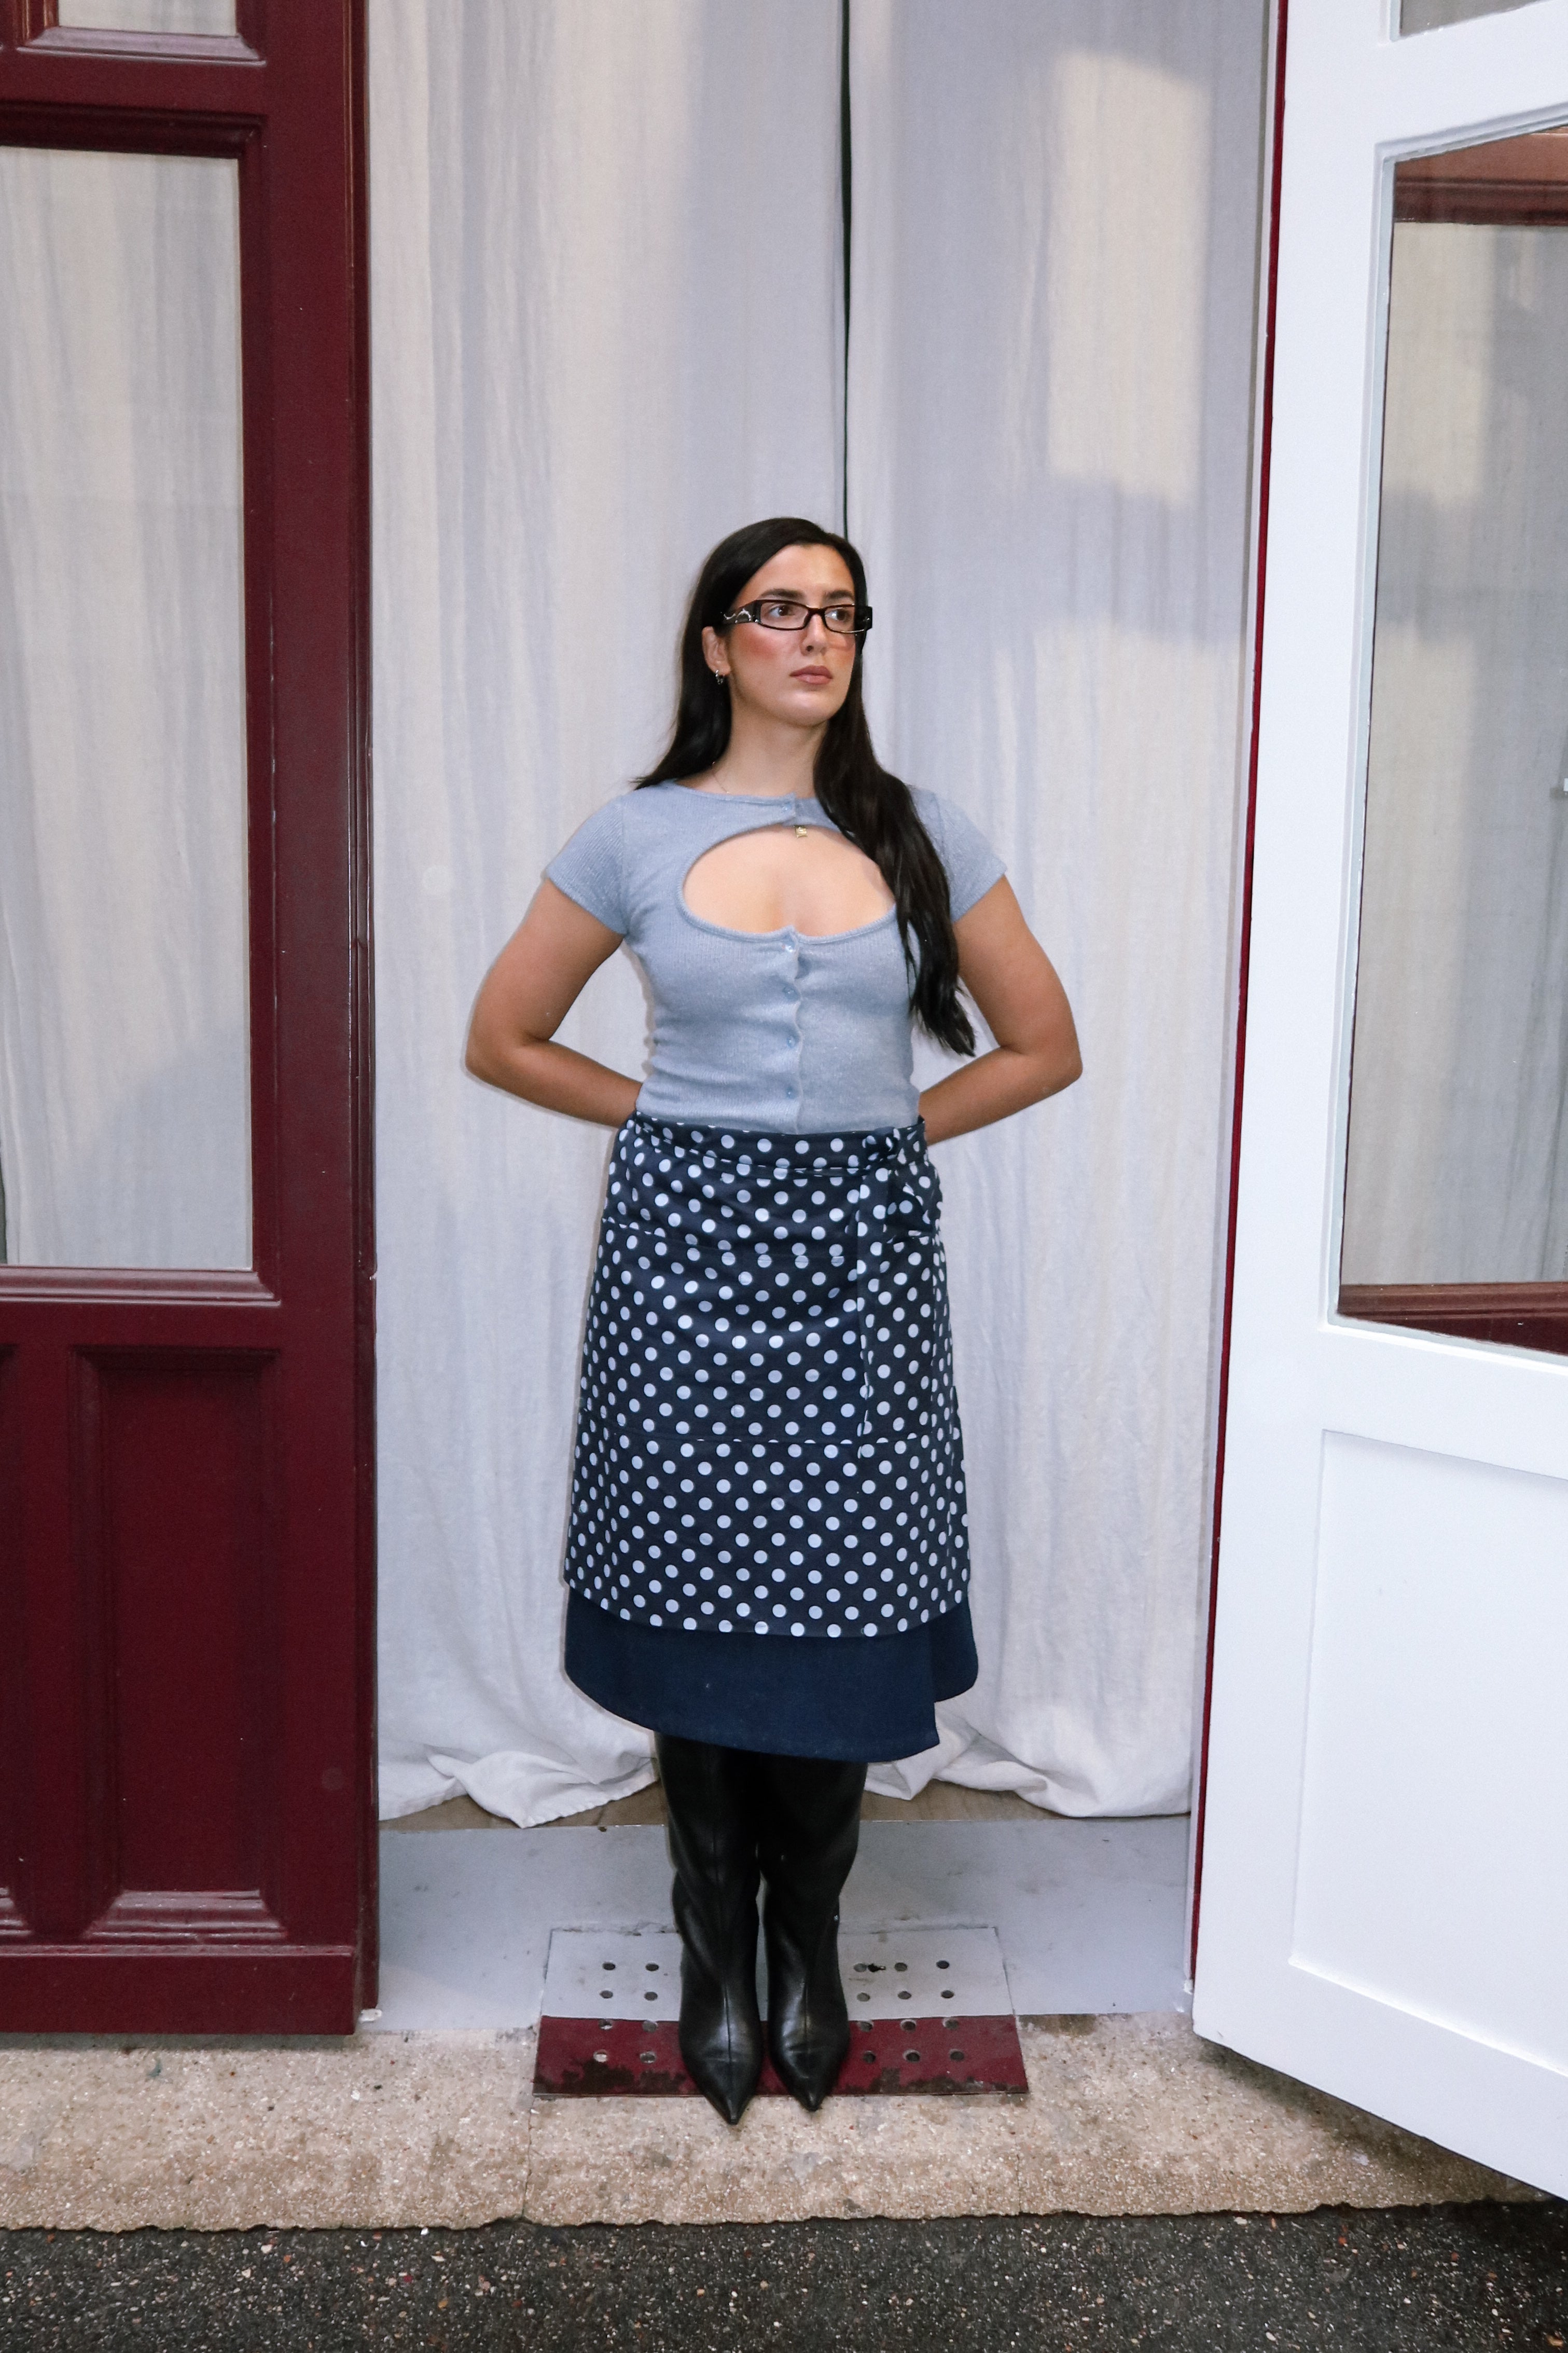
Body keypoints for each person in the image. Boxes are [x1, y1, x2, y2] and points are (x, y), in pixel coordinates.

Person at [466, 517, 1080, 2124]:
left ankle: (807, 1942)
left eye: (843, 612)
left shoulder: (922, 831)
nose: (816, 635)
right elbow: (506, 1035)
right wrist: (668, 1119)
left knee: (842, 1596)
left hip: (863, 1272)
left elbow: (1042, 1045)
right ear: (717, 641)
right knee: (696, 1589)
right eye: (780, 609)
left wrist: (883, 1142)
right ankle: (711, 1953)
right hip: (682, 1268)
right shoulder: (633, 837)